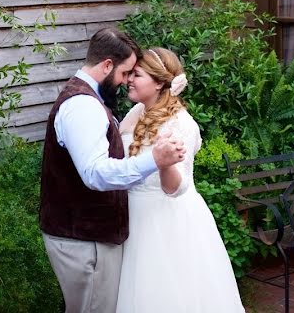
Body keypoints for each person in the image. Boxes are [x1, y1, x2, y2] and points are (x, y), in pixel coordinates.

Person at [39, 28, 187, 313]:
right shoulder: (83, 105)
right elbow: (95, 173)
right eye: (124, 72)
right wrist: (153, 160)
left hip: (86, 236)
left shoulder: (88, 99)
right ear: (107, 65)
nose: (125, 81)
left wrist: (163, 97)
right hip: (84, 240)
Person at [116, 47, 244, 313]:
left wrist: (164, 164)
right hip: (131, 217)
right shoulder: (135, 112)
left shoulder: (181, 125)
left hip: (166, 222)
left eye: (137, 74)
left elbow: (176, 188)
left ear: (160, 82)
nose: (129, 79)